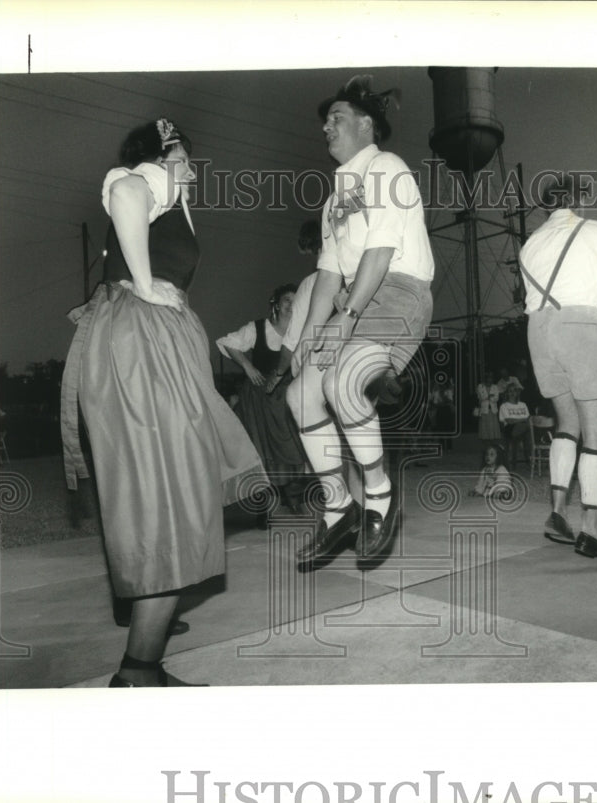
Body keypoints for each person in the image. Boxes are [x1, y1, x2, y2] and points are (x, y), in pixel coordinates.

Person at [60, 118, 264, 687]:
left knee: (161, 492)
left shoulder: (172, 195)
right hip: (145, 335)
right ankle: (138, 671)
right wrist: (149, 287)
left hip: (141, 339)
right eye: (184, 155)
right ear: (163, 153)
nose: (192, 167)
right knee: (174, 495)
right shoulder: (154, 176)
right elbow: (125, 190)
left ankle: (145, 648)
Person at [286, 74, 434, 568]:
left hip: (398, 291)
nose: (327, 126)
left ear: (367, 124)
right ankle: (338, 509)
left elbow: (381, 248)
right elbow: (328, 274)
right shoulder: (333, 199)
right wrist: (306, 339)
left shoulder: (386, 167)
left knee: (345, 381)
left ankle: (379, 496)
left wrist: (346, 318)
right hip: (357, 293)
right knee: (301, 392)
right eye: (325, 120)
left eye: (338, 117)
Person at [518, 172, 597, 562]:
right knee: (596, 432)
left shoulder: (530, 243)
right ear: (580, 201)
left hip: (538, 331)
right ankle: (592, 529)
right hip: (579, 326)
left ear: (548, 205)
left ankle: (557, 514)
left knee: (566, 424)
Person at [217, 283, 308, 513]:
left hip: (288, 397)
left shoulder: (303, 330)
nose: (291, 305)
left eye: (295, 301)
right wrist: (248, 366)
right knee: (261, 449)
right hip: (260, 397)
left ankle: (293, 496)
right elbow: (227, 343)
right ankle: (263, 505)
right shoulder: (257, 328)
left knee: (294, 447)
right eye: (286, 300)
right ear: (276, 304)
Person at [497, 382, 530, 469]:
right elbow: (510, 421)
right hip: (510, 429)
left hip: (522, 429)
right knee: (527, 428)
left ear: (518, 392)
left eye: (514, 390)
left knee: (527, 432)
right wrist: (523, 420)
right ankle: (529, 459)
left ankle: (528, 457)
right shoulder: (504, 406)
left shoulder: (523, 404)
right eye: (510, 391)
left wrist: (522, 421)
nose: (512, 393)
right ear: (507, 393)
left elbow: (528, 419)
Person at [475, 370, 502, 447]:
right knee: (484, 428)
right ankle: (486, 445)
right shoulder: (480, 386)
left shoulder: (495, 386)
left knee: (493, 428)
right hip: (484, 410)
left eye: (491, 378)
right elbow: (481, 397)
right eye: (488, 378)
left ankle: (493, 444)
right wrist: (489, 397)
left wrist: (489, 398)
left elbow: (497, 398)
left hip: (493, 410)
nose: (490, 379)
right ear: (486, 378)